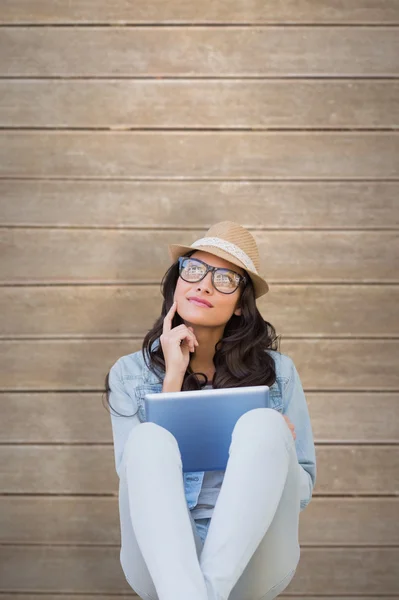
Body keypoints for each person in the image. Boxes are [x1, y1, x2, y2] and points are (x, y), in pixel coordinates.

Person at [104, 221, 317, 600]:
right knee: (147, 438)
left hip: (255, 554)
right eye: (194, 269)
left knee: (265, 424)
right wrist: (173, 375)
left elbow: (300, 492)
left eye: (225, 279)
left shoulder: (278, 373)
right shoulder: (129, 374)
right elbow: (135, 478)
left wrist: (277, 448)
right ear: (177, 283)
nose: (203, 284)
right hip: (158, 557)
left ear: (240, 306)